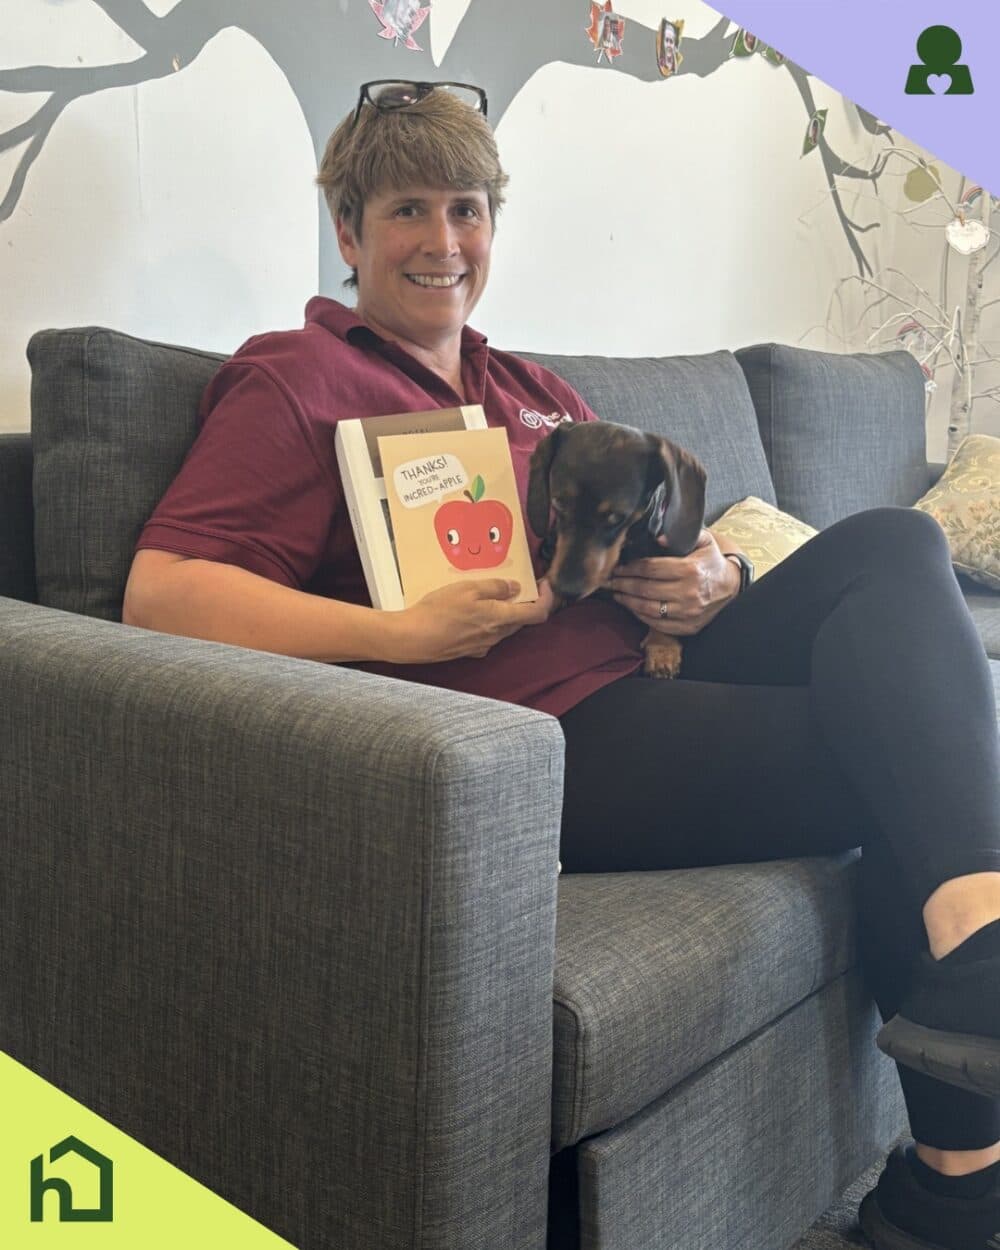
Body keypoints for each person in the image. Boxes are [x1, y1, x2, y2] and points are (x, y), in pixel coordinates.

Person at [121, 80, 1000, 1250]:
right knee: (913, 759)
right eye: (406, 211)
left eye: (468, 208)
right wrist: (395, 636)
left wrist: (709, 580)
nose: (443, 241)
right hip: (551, 734)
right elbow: (160, 593)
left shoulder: (531, 390)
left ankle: (981, 971)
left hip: (660, 660)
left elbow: (670, 527)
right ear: (347, 231)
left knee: (896, 544)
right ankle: (956, 1175)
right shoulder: (292, 377)